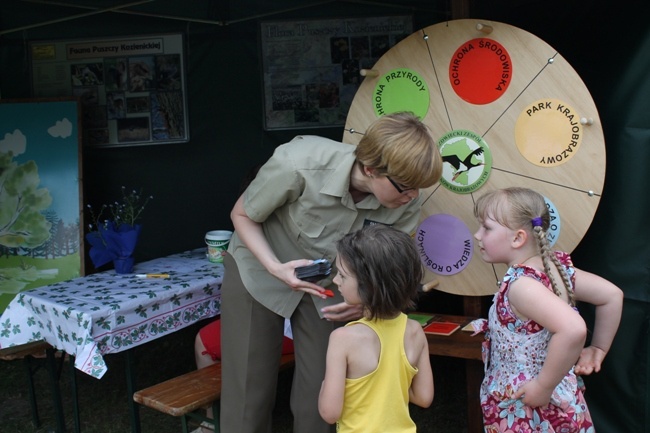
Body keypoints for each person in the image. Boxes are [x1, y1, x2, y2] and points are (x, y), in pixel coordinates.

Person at [219, 111, 443, 433]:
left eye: (418, 189)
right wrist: (276, 268)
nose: (413, 198)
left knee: (321, 397)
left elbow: (386, 263)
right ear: (370, 168)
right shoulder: (298, 162)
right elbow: (242, 213)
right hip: (259, 268)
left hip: (331, 288)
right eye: (406, 188)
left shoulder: (405, 201)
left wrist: (366, 302)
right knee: (247, 394)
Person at [472, 187, 623, 432]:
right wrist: (598, 348)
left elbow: (573, 329)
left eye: (486, 228)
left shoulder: (522, 286)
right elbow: (612, 296)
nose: (478, 235)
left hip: (529, 408)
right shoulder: (557, 270)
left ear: (518, 238)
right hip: (560, 397)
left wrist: (543, 386)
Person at [318, 224, 434, 432]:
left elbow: (329, 412)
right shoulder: (415, 330)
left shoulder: (342, 338)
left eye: (343, 275)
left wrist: (325, 386)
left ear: (370, 285)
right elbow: (424, 398)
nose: (335, 280)